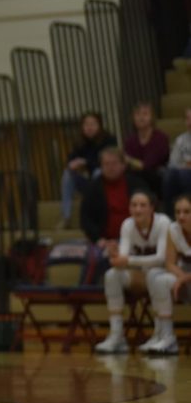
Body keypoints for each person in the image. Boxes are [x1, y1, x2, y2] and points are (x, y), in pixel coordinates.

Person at [94, 190, 170, 354]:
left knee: (154, 274)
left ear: (152, 208)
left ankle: (161, 335)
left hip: (164, 275)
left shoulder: (163, 222)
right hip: (140, 276)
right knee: (112, 275)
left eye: (142, 205)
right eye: (134, 205)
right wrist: (114, 255)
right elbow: (123, 259)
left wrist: (127, 260)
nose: (137, 209)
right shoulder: (127, 224)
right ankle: (117, 336)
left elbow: (162, 259)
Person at [144, 194, 191, 355]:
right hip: (185, 277)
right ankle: (166, 336)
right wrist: (182, 277)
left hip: (187, 278)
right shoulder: (173, 229)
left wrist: (184, 278)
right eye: (178, 212)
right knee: (157, 276)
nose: (181, 216)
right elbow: (169, 263)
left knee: (163, 279)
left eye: (186, 211)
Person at [79, 147, 147, 250]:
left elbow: (148, 211)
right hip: (105, 242)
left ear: (123, 165)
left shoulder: (137, 184)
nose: (110, 167)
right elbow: (85, 219)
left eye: (114, 163)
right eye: (106, 164)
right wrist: (98, 239)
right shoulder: (92, 188)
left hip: (136, 239)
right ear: (101, 167)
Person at [59, 112, 117, 229]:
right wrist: (72, 164)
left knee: (98, 172)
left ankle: (98, 214)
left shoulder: (109, 140)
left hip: (104, 182)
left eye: (93, 124)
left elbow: (107, 163)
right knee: (67, 173)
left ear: (99, 125)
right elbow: (71, 159)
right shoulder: (80, 142)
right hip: (87, 182)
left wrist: (85, 162)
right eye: (86, 124)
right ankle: (66, 216)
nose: (89, 127)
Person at [123, 101, 170, 194]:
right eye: (137, 114)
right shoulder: (130, 140)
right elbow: (126, 164)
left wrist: (130, 161)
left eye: (145, 114)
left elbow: (149, 165)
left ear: (152, 117)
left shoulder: (160, 138)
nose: (141, 118)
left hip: (157, 176)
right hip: (135, 176)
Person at [162, 108, 191, 214]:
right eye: (188, 118)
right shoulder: (180, 140)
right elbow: (173, 163)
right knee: (170, 174)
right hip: (182, 173)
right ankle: (170, 214)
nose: (190, 121)